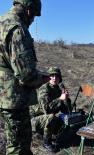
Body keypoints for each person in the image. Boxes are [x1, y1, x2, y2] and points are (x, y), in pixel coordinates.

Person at [0, 0, 47, 154]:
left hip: (4, 96)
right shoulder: (17, 29)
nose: (33, 20)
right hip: (15, 101)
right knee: (19, 148)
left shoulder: (2, 21)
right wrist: (43, 79)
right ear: (29, 11)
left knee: (13, 142)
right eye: (34, 16)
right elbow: (26, 75)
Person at [30, 67, 72, 152]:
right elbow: (46, 109)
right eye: (52, 75)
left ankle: (53, 135)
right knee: (52, 117)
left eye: (57, 76)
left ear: (60, 78)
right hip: (33, 120)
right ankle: (46, 143)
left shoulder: (58, 90)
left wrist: (66, 100)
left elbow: (67, 111)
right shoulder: (44, 89)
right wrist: (60, 99)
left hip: (45, 118)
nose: (54, 78)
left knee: (64, 119)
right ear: (48, 77)